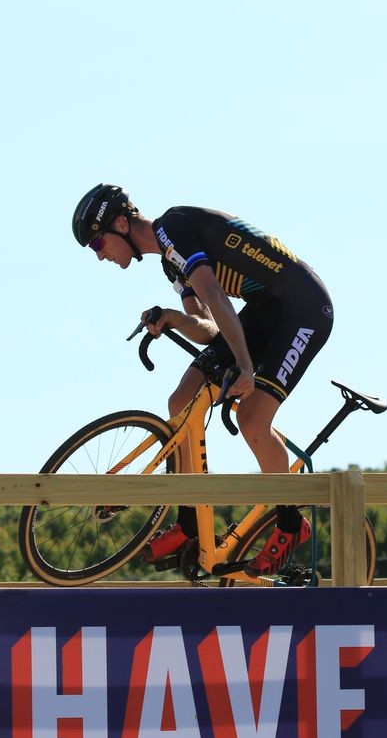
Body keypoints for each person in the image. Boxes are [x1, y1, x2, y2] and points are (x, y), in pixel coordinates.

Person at [71, 183, 334, 576]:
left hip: (303, 308)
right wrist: (173, 318)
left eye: (97, 244)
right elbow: (210, 328)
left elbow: (212, 291)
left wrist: (245, 366)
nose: (100, 256)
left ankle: (291, 524)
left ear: (122, 223)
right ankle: (191, 520)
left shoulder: (173, 227)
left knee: (252, 417)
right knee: (181, 401)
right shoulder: (169, 261)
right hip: (266, 309)